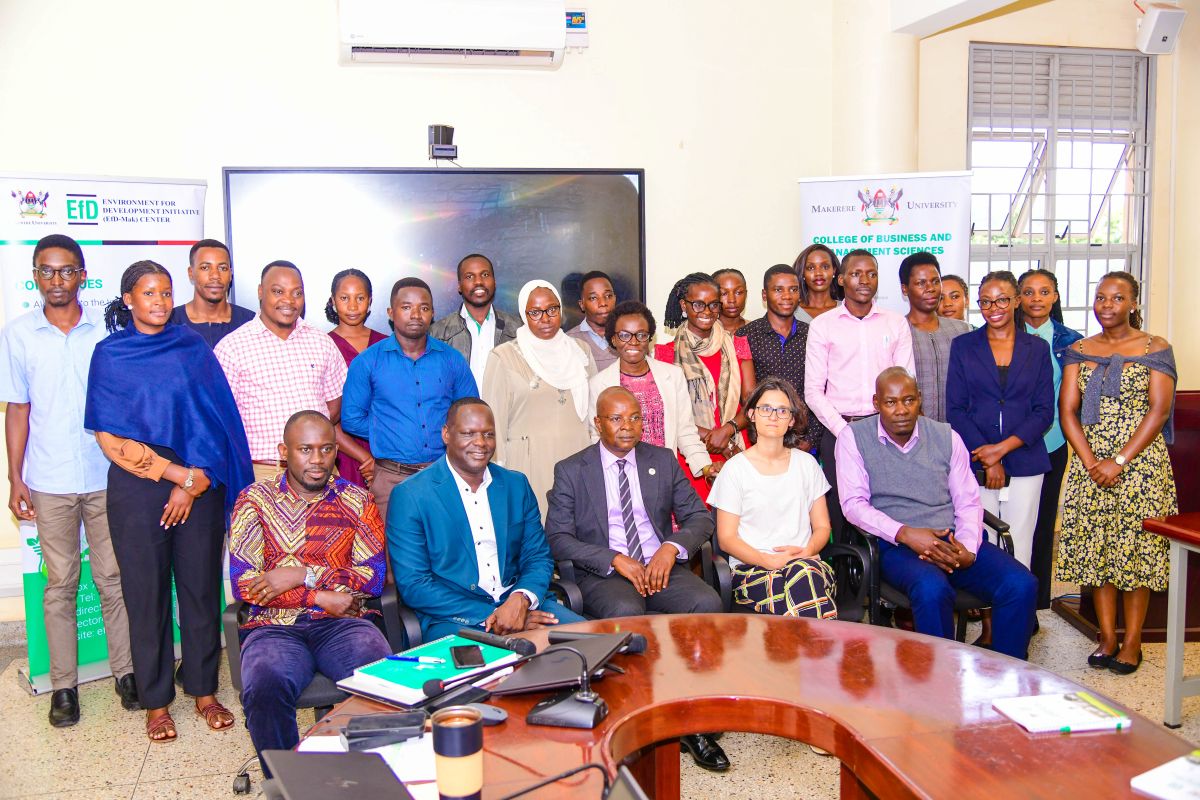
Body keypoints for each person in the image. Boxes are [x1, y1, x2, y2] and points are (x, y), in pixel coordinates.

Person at [85, 260, 253, 743]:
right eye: (149, 293)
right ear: (129, 300)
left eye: (165, 293)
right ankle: (156, 702)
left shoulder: (192, 348)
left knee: (200, 590)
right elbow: (109, 437)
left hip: (201, 480)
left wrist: (194, 481)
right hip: (139, 488)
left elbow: (217, 419)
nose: (159, 302)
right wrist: (174, 476)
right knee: (146, 593)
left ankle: (203, 690)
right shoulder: (110, 354)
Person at [547, 388, 728, 772]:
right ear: (598, 424)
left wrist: (670, 548)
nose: (627, 426)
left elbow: (700, 517)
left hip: (660, 564)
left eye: (634, 417)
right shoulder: (571, 469)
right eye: (616, 419)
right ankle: (640, 720)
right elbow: (558, 537)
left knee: (706, 601)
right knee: (627, 611)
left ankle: (691, 715)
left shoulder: (661, 460)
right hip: (607, 572)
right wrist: (613, 558)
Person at [0, 234, 136, 727]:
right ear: (35, 276)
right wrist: (15, 478)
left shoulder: (105, 329)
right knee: (60, 584)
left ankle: (126, 674)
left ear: (82, 274)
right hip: (50, 477)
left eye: (66, 270)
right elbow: (18, 409)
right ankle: (64, 688)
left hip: (105, 473)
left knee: (113, 579)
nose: (57, 280)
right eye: (46, 271)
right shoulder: (18, 334)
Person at [837, 368, 1037, 659]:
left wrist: (967, 548)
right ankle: (941, 684)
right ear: (876, 403)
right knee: (932, 589)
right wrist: (906, 534)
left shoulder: (946, 436)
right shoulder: (853, 438)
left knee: (1021, 584)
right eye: (891, 402)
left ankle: (1007, 672)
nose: (901, 410)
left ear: (920, 400)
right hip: (896, 543)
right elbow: (854, 504)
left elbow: (967, 501)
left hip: (951, 538)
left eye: (908, 400)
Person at [230, 411, 391, 762]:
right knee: (264, 685)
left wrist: (301, 573)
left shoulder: (357, 501)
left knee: (381, 678)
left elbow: (373, 576)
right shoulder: (253, 501)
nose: (317, 460)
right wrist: (317, 595)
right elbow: (246, 583)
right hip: (274, 627)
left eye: (326, 449)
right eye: (305, 449)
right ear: (283, 452)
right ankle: (289, 784)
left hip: (343, 623)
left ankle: (370, 779)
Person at [1057, 271, 1177, 675]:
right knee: (1098, 552)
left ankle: (1132, 640)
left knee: (1136, 554)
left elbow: (1158, 410)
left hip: (1139, 465)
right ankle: (1106, 636)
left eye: (1116, 298)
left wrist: (1119, 460)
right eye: (1100, 298)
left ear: (1134, 304)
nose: (1106, 305)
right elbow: (1067, 411)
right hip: (1089, 464)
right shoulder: (1078, 349)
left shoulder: (1155, 347)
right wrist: (1092, 461)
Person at [388, 398, 585, 640]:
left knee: (594, 645)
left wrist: (520, 600)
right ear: (446, 434)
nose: (480, 443)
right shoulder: (411, 495)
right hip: (454, 617)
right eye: (468, 433)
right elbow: (414, 584)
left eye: (488, 434)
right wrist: (494, 614)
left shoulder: (515, 485)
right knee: (489, 674)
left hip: (523, 604)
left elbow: (538, 556)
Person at [342, 277, 477, 527]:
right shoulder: (368, 362)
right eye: (406, 307)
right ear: (391, 313)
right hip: (391, 480)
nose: (416, 314)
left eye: (424, 308)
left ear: (433, 313)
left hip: (443, 475)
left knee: (446, 556)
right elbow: (351, 418)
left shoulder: (451, 359)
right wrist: (390, 431)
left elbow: (470, 414)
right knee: (392, 559)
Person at [946, 270, 1053, 572]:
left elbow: (1044, 411)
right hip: (976, 459)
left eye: (1002, 300)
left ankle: (1016, 613)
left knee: (1021, 538)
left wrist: (1000, 451)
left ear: (1017, 301)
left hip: (1026, 459)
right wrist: (987, 455)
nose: (994, 309)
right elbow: (955, 409)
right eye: (986, 302)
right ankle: (989, 614)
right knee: (981, 538)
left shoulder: (1037, 349)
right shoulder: (964, 345)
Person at [803, 250, 914, 539]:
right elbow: (813, 391)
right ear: (840, 280)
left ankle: (885, 581)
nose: (864, 280)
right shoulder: (823, 325)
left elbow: (905, 383)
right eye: (856, 273)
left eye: (872, 274)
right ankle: (839, 582)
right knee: (840, 515)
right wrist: (845, 431)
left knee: (887, 511)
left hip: (887, 431)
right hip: (839, 429)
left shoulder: (895, 323)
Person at [707, 377, 837, 618]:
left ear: (792, 420)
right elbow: (726, 539)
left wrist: (807, 550)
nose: (774, 416)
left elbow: (822, 527)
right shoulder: (735, 469)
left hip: (807, 563)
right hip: (752, 571)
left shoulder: (807, 464)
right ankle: (825, 650)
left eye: (782, 410)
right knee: (804, 586)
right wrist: (766, 560)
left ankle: (802, 653)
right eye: (766, 409)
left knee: (803, 575)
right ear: (753, 415)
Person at [214, 261, 347, 483]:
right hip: (263, 472)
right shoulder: (232, 348)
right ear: (260, 292)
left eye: (297, 293)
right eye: (278, 291)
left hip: (320, 470)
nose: (288, 300)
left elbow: (334, 405)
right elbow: (222, 418)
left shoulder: (322, 342)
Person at [482, 280, 597, 519]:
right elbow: (493, 424)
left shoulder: (581, 351)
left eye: (552, 309)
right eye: (535, 312)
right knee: (535, 538)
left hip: (578, 458)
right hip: (528, 464)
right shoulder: (503, 356)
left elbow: (596, 413)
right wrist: (497, 474)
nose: (545, 318)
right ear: (524, 314)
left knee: (579, 536)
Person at [655, 272, 756, 503]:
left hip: (737, 446)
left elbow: (752, 401)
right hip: (693, 453)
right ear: (684, 305)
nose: (707, 312)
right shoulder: (665, 353)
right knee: (698, 527)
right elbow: (670, 410)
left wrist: (728, 432)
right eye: (698, 305)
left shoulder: (738, 345)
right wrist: (715, 438)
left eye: (713, 305)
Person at [588, 301, 715, 483]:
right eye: (624, 335)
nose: (633, 341)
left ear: (649, 338)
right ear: (613, 339)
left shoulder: (672, 375)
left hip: (664, 475)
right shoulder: (599, 383)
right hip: (620, 478)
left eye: (641, 335)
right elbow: (596, 437)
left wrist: (705, 466)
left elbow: (685, 431)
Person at [1016, 268, 1083, 610]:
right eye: (1029, 292)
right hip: (1012, 444)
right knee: (1012, 525)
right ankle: (1008, 600)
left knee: (1042, 525)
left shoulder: (1073, 341)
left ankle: (1036, 604)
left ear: (1055, 296)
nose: (1037, 299)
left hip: (1053, 442)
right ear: (1018, 297)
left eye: (1044, 292)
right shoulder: (1005, 334)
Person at [736, 264, 823, 451]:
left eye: (793, 290)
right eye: (778, 290)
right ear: (764, 295)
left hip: (806, 440)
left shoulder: (813, 334)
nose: (787, 296)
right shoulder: (746, 335)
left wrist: (810, 439)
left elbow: (822, 390)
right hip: (762, 439)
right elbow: (747, 397)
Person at [324, 269, 387, 488]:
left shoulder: (387, 344)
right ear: (333, 301)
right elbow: (327, 415)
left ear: (370, 301)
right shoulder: (322, 345)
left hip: (389, 448)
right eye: (344, 298)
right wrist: (365, 458)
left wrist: (380, 458)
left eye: (360, 298)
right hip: (343, 450)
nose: (352, 306)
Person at [429, 253, 519, 388]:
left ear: (494, 282)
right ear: (459, 286)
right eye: (469, 276)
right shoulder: (437, 333)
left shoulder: (517, 329)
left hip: (507, 409)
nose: (478, 282)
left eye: (485, 275)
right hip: (457, 409)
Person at [901, 252, 970, 423]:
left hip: (960, 432)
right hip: (913, 431)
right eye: (921, 283)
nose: (930, 288)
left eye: (935, 281)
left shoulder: (962, 330)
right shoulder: (897, 331)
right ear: (905, 288)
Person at [168, 239, 255, 348]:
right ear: (191, 273)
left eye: (222, 268)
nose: (215, 275)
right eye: (205, 267)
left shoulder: (251, 322)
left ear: (230, 274)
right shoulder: (170, 323)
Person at [567, 270, 618, 371]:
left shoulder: (630, 337)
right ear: (582, 304)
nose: (603, 303)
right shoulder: (569, 341)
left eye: (608, 296)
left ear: (615, 299)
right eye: (593, 298)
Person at [792, 243, 842, 323]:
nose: (818, 273)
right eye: (811, 268)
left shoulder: (846, 310)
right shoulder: (792, 312)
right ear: (803, 272)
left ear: (834, 271)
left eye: (825, 267)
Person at [712, 268, 749, 334]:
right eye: (723, 293)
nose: (732, 300)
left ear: (746, 295)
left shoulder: (757, 330)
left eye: (738, 292)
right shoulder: (705, 332)